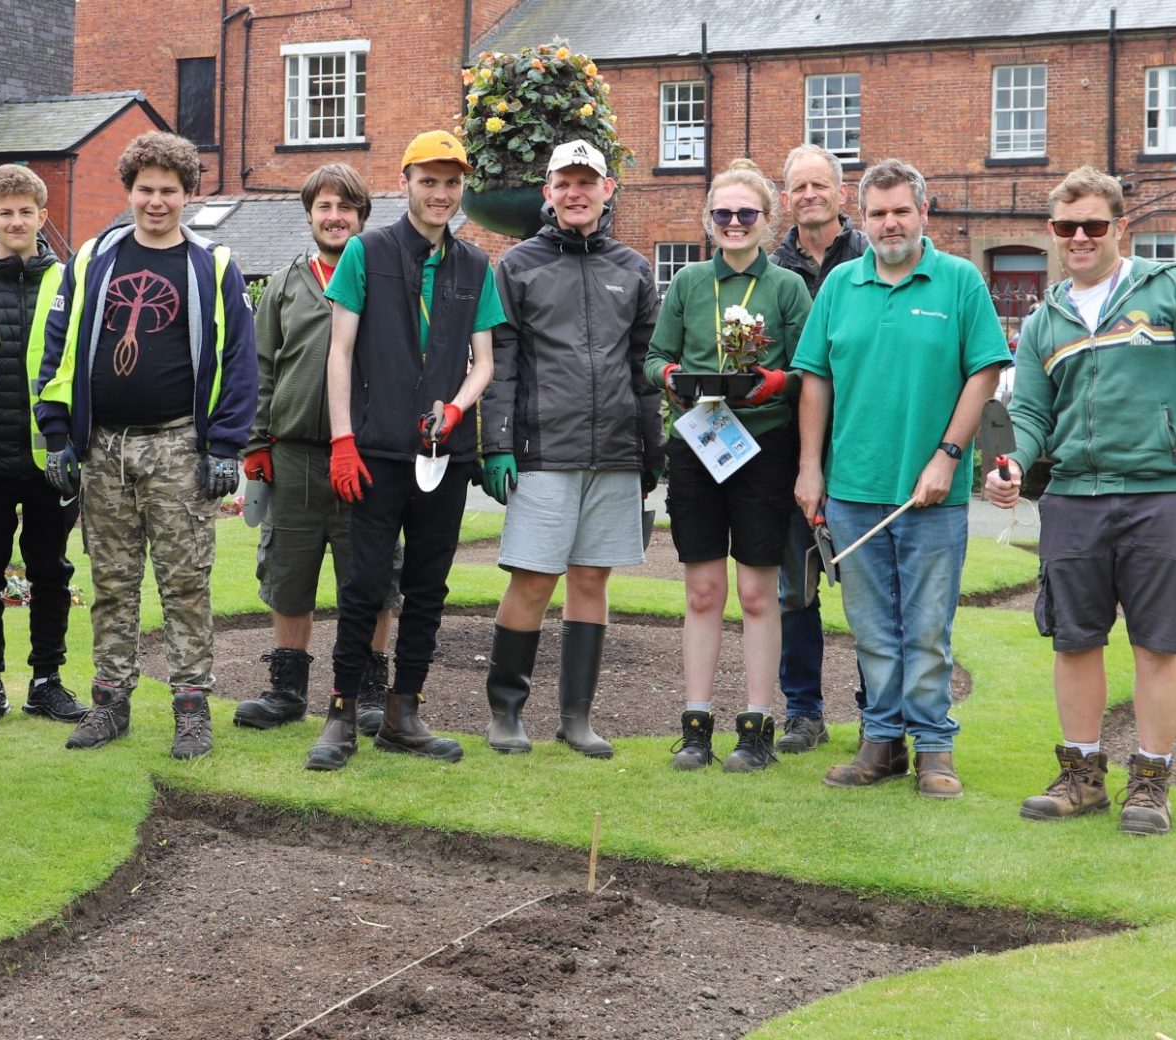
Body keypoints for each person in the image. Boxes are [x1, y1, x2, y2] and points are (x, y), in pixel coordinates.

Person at [988, 165, 1176, 835]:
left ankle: (1150, 782)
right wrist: (1013, 464)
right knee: (1074, 641)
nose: (1079, 238)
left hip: (1163, 492)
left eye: (1093, 226)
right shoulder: (1045, 317)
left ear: (1119, 228)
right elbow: (1030, 413)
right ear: (1052, 232)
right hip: (1074, 496)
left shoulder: (1170, 290)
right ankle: (1082, 777)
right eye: (1065, 227)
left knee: (1157, 643)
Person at [792, 159, 1010, 799]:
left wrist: (948, 454)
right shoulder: (838, 287)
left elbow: (985, 373)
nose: (890, 223)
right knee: (871, 629)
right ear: (862, 219)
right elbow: (816, 379)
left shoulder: (959, 282)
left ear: (923, 214)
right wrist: (811, 469)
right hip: (854, 490)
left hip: (933, 496)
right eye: (879, 213)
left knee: (927, 628)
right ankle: (881, 742)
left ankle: (934, 749)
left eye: (901, 211)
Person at [34, 131, 255, 761]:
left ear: (188, 194)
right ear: (128, 190)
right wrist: (57, 433)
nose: (156, 202)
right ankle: (109, 705)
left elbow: (239, 360)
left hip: (180, 448)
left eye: (169, 191)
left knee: (186, 584)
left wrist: (227, 446)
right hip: (103, 448)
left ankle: (191, 710)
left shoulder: (212, 265)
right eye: (145, 189)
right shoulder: (93, 260)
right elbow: (61, 347)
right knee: (111, 582)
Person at [306, 129, 502, 771]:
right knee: (363, 585)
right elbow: (338, 353)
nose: (441, 194)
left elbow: (485, 363)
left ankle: (404, 711)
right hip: (375, 452)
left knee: (427, 586)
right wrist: (342, 441)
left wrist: (455, 407)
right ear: (406, 181)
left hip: (441, 454)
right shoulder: (368, 251)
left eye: (451, 183)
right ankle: (339, 713)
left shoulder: (475, 265)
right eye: (429, 181)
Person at [478, 139, 662, 759]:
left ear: (609, 189)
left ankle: (576, 717)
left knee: (590, 579)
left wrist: (650, 449)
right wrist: (497, 444)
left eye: (588, 182)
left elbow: (643, 367)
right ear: (547, 192)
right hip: (541, 451)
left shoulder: (633, 269)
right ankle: (506, 711)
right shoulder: (518, 266)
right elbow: (499, 364)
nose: (576, 193)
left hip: (613, 452)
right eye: (565, 183)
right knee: (532, 579)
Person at [646, 158, 812, 772]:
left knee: (757, 592)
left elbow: (809, 371)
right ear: (709, 220)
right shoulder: (690, 283)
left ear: (768, 221)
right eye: (723, 213)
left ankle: (757, 726)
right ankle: (695, 726)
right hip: (697, 445)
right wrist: (669, 377)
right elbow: (656, 356)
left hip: (764, 450)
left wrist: (774, 384)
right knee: (703, 591)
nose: (734, 223)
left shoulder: (788, 287)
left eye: (747, 213)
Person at [231, 164, 401, 736]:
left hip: (368, 458)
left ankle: (370, 690)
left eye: (346, 208)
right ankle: (286, 689)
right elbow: (258, 366)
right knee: (288, 572)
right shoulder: (284, 283)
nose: (335, 217)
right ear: (310, 214)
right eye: (324, 206)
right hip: (295, 456)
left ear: (362, 216)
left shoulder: (384, 280)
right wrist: (256, 443)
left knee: (373, 575)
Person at [0, 165, 88, 732]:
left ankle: (46, 681)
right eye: (4, 212)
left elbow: (79, 365)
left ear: (42, 215)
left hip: (49, 461)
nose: (15, 221)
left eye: (25, 211)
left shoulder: (69, 280)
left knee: (51, 573)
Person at [767, 143, 872, 754]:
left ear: (841, 193)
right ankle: (803, 711)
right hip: (787, 449)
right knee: (794, 590)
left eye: (819, 185)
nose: (809, 195)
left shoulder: (869, 258)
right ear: (786, 199)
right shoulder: (767, 264)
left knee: (867, 591)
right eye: (797, 187)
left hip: (861, 445)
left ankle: (875, 710)